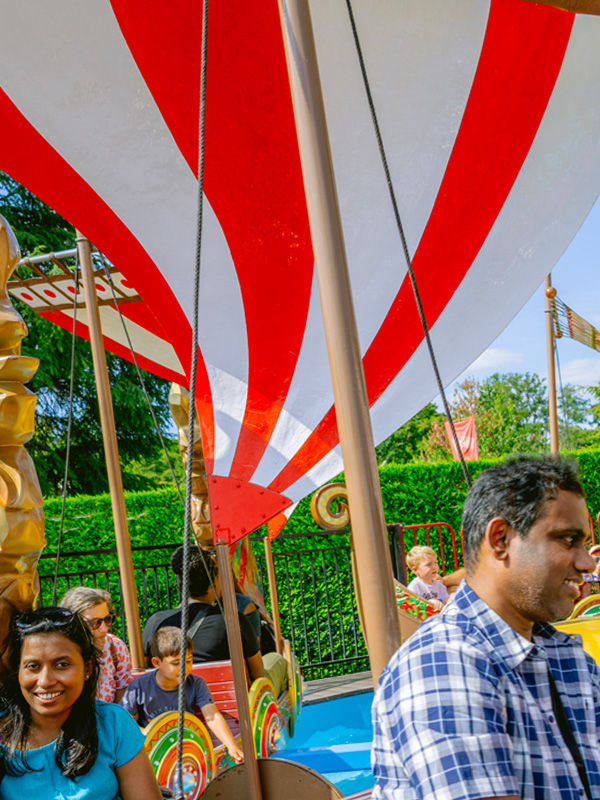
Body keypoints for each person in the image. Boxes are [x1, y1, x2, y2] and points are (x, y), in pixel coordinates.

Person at [372, 455, 600, 800]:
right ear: (500, 538)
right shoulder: (443, 664)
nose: (586, 562)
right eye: (568, 540)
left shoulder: (569, 657)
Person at [0, 606, 162, 800]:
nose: (45, 681)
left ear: (87, 668)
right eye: (33, 666)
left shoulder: (113, 724)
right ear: (18, 671)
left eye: (62, 664)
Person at [142, 547, 288, 697]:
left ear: (179, 583)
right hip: (228, 703)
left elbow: (144, 671)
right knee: (277, 660)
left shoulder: (156, 622)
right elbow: (257, 673)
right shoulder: (234, 620)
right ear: (215, 581)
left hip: (171, 705)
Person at [121, 626, 243, 763]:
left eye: (188, 661)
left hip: (187, 749)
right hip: (154, 751)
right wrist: (148, 735)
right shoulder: (140, 686)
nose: (184, 667)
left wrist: (231, 745)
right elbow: (126, 720)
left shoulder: (196, 684)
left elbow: (212, 717)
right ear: (156, 662)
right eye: (176, 663)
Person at [60, 586, 132, 703]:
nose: (104, 629)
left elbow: (123, 689)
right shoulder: (60, 650)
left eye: (107, 619)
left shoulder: (116, 647)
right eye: (94, 623)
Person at [405, 545, 449, 610]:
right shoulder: (415, 586)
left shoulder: (439, 585)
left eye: (435, 562)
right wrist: (428, 603)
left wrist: (450, 599)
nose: (435, 567)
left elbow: (446, 599)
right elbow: (411, 605)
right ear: (415, 570)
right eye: (429, 564)